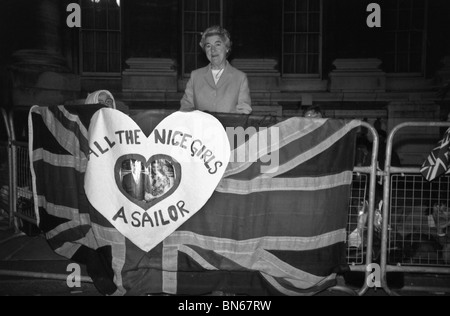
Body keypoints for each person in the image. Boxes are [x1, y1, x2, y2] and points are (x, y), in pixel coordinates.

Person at [179, 25, 252, 114]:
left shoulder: (240, 78)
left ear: (227, 48)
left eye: (217, 44)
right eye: (208, 46)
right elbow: (185, 108)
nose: (213, 50)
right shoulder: (195, 76)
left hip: (228, 127)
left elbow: (244, 111)